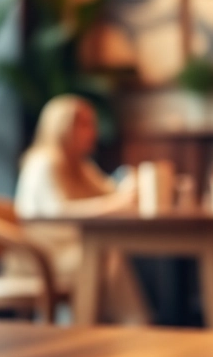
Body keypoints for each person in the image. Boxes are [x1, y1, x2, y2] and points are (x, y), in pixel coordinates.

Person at [14, 94, 148, 324]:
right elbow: (57, 211)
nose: (93, 133)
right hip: (41, 254)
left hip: (70, 249)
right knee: (103, 256)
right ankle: (128, 327)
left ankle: (118, 328)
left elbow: (110, 192)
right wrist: (115, 203)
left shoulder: (81, 165)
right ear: (63, 127)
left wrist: (130, 186)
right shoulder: (44, 163)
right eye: (85, 125)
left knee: (107, 253)